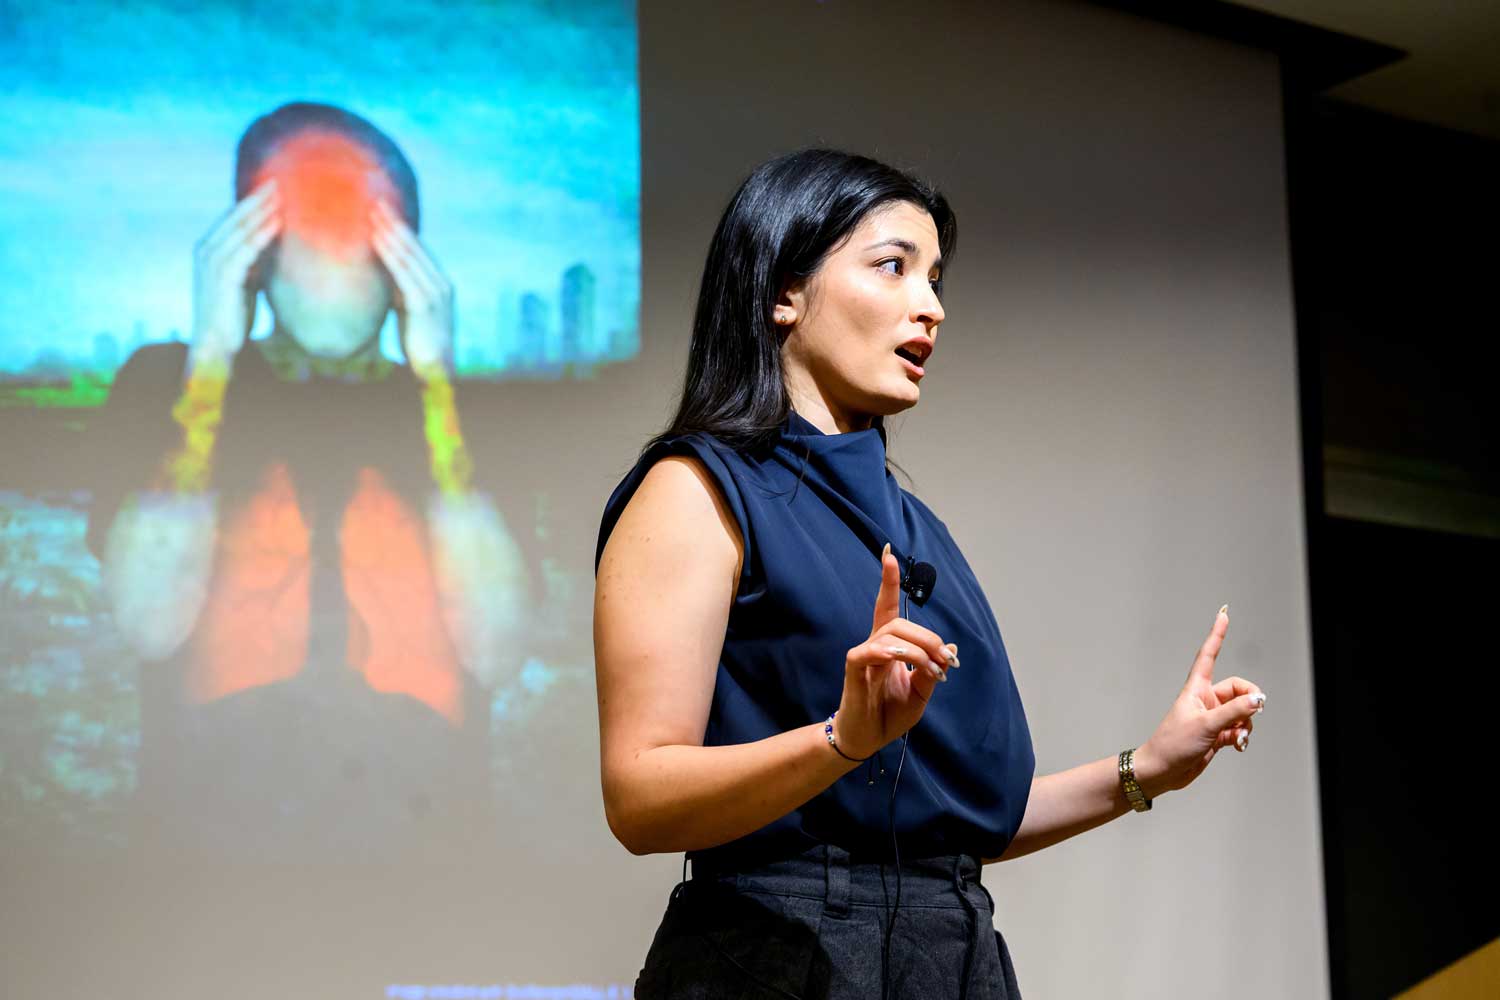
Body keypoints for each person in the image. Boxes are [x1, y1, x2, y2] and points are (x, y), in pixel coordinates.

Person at [592, 149, 1268, 999]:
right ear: (784, 293)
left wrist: (1146, 770)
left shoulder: (917, 529)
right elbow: (639, 797)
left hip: (953, 953)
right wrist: (841, 741)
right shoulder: (695, 489)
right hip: (773, 957)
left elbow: (958, 820)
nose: (932, 306)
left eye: (936, 279)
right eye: (893, 267)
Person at [86, 102, 527, 859]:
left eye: (361, 219)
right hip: (204, 859)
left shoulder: (464, 410)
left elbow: (496, 650)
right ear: (249, 245)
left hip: (428, 857)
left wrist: (437, 388)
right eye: (297, 215)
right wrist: (210, 361)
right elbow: (148, 621)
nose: (330, 246)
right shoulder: (164, 381)